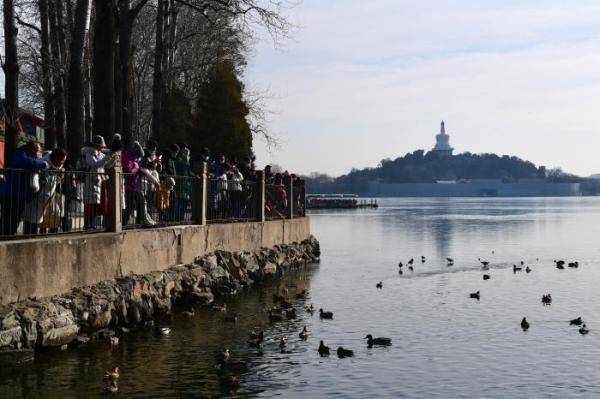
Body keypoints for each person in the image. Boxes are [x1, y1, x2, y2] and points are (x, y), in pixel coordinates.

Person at [1, 141, 48, 235]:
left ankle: (10, 233)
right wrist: (43, 163)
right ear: (31, 148)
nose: (37, 154)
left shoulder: (28, 155)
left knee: (16, 217)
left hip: (21, 193)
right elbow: (29, 162)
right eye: (36, 151)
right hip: (12, 192)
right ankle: (5, 233)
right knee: (9, 216)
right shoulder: (20, 153)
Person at [22, 149, 68, 235]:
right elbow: (35, 180)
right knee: (32, 220)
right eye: (61, 160)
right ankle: (29, 237)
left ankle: (41, 235)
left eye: (64, 161)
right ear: (56, 158)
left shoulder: (58, 166)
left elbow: (56, 182)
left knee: (53, 215)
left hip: (48, 197)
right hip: (37, 196)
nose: (62, 162)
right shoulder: (43, 163)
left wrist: (60, 176)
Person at [81, 135, 116, 229]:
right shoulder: (89, 153)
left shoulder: (101, 154)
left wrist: (112, 160)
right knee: (89, 204)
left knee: (97, 204)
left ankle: (92, 224)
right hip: (91, 180)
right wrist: (107, 157)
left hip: (100, 180)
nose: (102, 147)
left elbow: (106, 166)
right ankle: (87, 224)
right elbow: (95, 164)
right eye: (101, 145)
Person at [122, 142, 155, 227]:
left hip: (135, 186)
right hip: (129, 186)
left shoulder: (135, 160)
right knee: (130, 206)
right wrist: (137, 170)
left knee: (141, 202)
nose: (140, 159)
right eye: (139, 156)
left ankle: (140, 221)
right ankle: (123, 223)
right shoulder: (129, 158)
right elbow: (128, 170)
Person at [174, 148, 193, 221]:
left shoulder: (186, 162)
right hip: (181, 185)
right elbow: (181, 171)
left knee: (185, 203)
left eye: (188, 154)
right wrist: (186, 160)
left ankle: (181, 218)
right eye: (188, 154)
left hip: (186, 186)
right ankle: (177, 218)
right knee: (180, 203)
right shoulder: (180, 161)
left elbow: (189, 172)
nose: (189, 156)